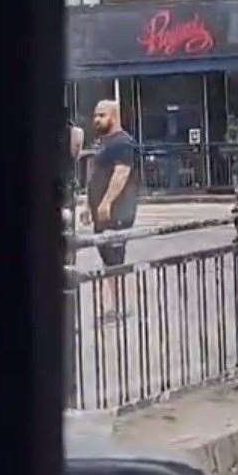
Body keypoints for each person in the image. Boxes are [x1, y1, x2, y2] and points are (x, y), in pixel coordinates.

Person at [87, 100, 140, 318]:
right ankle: (114, 305)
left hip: (118, 212)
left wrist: (107, 202)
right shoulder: (104, 143)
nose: (96, 119)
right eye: (95, 115)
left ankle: (118, 306)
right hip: (102, 213)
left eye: (102, 115)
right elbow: (96, 176)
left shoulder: (122, 142)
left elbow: (121, 173)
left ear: (114, 116)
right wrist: (87, 205)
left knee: (115, 257)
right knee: (108, 257)